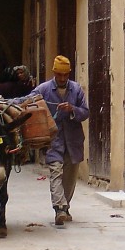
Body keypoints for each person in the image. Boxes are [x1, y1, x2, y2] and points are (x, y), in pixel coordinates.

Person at [33, 55, 88, 226]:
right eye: (59, 75)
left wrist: (72, 109)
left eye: (65, 75)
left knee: (70, 177)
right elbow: (27, 101)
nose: (62, 78)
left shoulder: (77, 90)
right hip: (54, 140)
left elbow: (85, 112)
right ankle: (59, 208)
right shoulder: (44, 89)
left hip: (73, 140)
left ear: (69, 74)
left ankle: (65, 205)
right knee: (56, 172)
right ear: (54, 73)